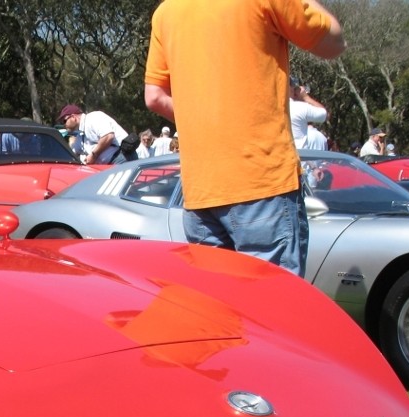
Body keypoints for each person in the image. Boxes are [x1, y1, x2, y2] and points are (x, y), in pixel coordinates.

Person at [144, 0, 345, 278]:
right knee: (272, 311)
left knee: (218, 313)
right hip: (262, 183)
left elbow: (154, 96)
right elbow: (333, 43)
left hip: (201, 190)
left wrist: (206, 120)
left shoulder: (167, 11)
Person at [57, 104, 137, 164]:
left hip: (122, 158)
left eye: (64, 121)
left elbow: (108, 136)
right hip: (111, 163)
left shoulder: (93, 118)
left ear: (73, 117)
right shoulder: (81, 135)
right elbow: (72, 152)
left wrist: (93, 155)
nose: (64, 125)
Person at [289, 77, 328, 149]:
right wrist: (305, 97)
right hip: (299, 157)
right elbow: (325, 115)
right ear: (289, 88)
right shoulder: (300, 107)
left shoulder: (269, 107)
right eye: (293, 86)